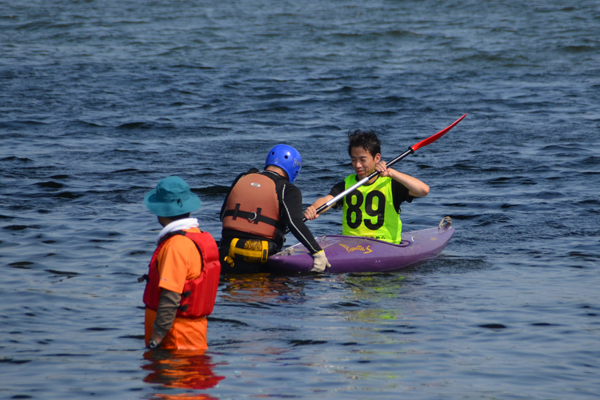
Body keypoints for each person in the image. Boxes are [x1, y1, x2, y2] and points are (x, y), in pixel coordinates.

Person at [219, 144, 330, 273]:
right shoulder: (287, 189)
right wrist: (317, 252)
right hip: (259, 261)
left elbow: (223, 216)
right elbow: (295, 223)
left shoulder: (242, 178)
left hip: (226, 255)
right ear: (294, 170)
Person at [304, 130, 429, 244]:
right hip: (351, 246)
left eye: (363, 160)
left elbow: (423, 190)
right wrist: (314, 208)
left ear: (377, 158)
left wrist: (391, 173)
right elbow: (327, 200)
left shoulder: (391, 183)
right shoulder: (347, 184)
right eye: (354, 160)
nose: (358, 165)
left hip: (386, 245)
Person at [142, 176, 220, 350]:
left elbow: (171, 297)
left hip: (174, 341)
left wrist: (155, 339)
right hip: (192, 336)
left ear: (161, 210)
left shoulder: (175, 246)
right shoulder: (198, 237)